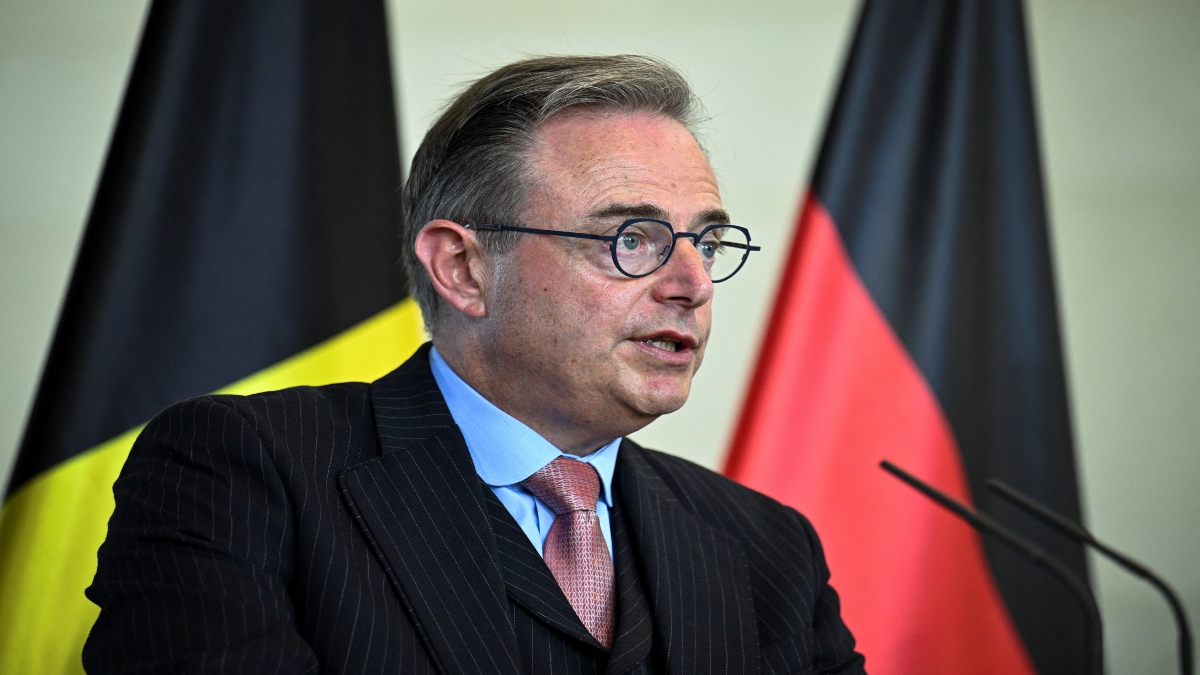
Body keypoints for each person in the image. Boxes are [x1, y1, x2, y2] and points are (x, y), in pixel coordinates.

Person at [84, 55, 866, 675]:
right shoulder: (244, 472)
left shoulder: (767, 546)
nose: (692, 283)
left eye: (708, 241)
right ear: (462, 268)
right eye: (632, 238)